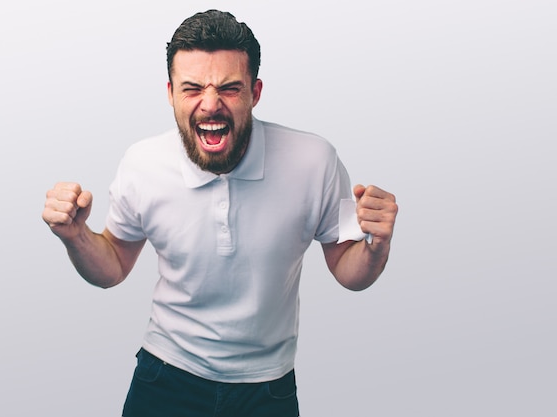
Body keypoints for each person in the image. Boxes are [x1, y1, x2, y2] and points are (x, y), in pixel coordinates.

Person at [42, 9, 397, 417]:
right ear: (170, 92)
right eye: (192, 88)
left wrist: (376, 246)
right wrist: (76, 236)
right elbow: (114, 265)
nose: (210, 105)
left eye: (229, 88)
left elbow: (348, 271)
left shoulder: (317, 159)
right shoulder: (141, 162)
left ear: (255, 92)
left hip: (268, 388)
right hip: (165, 376)